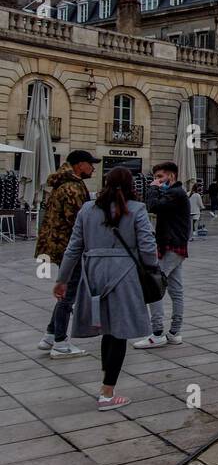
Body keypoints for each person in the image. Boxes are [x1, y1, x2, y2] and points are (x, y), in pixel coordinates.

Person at [53, 166, 159, 410]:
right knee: (118, 333)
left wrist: (62, 279)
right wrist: (151, 267)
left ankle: (106, 385)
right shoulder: (136, 209)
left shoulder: (88, 209)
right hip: (124, 274)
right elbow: (147, 246)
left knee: (107, 331)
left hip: (93, 274)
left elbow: (73, 247)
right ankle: (107, 393)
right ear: (132, 184)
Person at [35, 149, 99, 358]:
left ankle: (51, 335)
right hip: (69, 247)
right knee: (67, 294)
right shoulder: (72, 187)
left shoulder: (64, 183)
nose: (93, 168)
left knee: (66, 292)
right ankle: (61, 343)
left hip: (59, 245)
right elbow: (78, 222)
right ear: (80, 165)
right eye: (91, 164)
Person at [133, 162, 190, 349]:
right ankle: (174, 332)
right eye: (155, 177)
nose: (157, 181)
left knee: (154, 286)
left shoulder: (175, 193)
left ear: (171, 176)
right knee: (175, 290)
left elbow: (152, 206)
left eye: (160, 177)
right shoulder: (176, 193)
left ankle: (157, 333)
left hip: (171, 246)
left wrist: (151, 188)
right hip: (175, 246)